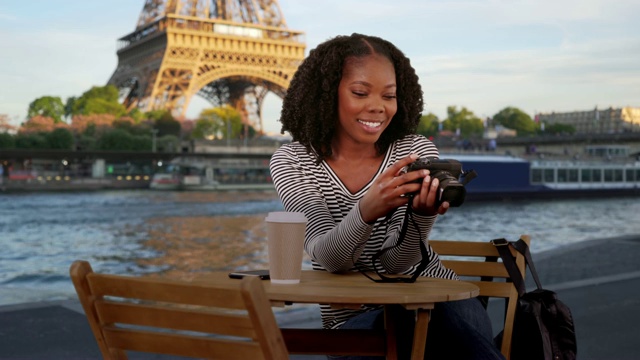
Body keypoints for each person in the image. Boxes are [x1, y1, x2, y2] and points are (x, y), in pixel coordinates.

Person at [270, 33, 504, 360]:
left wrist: (422, 216)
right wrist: (366, 210)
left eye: (389, 95)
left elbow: (396, 264)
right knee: (407, 321)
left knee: (424, 316)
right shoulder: (293, 161)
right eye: (360, 92)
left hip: (446, 306)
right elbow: (329, 258)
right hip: (356, 323)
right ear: (325, 94)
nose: (378, 107)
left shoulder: (414, 150)